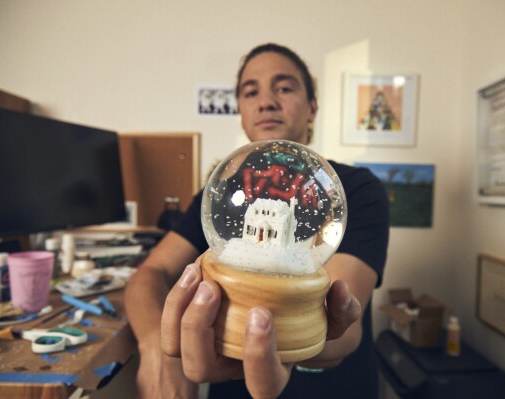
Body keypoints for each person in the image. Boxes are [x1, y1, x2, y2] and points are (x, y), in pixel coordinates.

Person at [124, 43, 390, 399]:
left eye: (284, 87)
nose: (266, 101)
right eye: (251, 92)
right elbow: (149, 274)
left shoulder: (354, 189)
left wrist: (287, 344)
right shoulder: (219, 195)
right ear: (241, 112)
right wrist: (156, 346)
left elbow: (346, 323)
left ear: (312, 108)